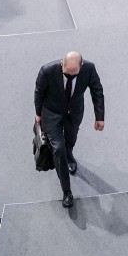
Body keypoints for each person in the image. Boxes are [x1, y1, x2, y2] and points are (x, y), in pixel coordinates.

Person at [34, 52, 105, 208]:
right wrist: (38, 113)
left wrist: (99, 116)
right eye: (67, 74)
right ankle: (67, 192)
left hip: (74, 112)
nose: (71, 77)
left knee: (70, 140)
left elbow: (97, 91)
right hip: (52, 114)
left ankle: (70, 155)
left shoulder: (89, 69)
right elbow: (39, 93)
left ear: (82, 66)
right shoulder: (46, 70)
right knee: (58, 149)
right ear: (62, 64)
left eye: (75, 74)